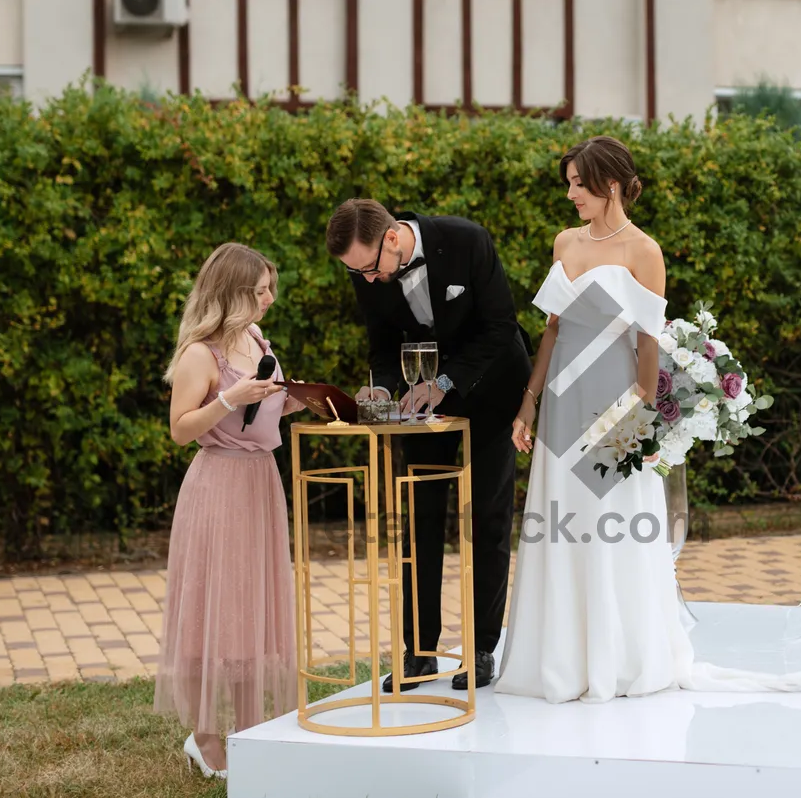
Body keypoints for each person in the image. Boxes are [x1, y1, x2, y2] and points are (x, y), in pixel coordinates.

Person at [494, 136, 801, 704]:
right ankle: (561, 659)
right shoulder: (564, 241)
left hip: (619, 404)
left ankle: (622, 657)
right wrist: (529, 400)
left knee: (612, 523)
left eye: (578, 184)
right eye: (567, 183)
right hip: (563, 398)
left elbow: (648, 344)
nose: (570, 195)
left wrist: (637, 418)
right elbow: (552, 330)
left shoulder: (645, 251)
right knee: (561, 519)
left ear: (610, 184)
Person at [326, 199, 532, 692]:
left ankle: (481, 649)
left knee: (488, 513)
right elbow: (381, 343)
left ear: (392, 238)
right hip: (421, 402)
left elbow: (501, 326)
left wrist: (445, 381)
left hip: (493, 384)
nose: (367, 280)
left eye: (370, 268)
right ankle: (418, 653)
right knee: (419, 516)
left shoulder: (467, 240)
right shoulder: (367, 267)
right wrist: (378, 385)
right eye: (356, 272)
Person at [153, 242, 305, 778]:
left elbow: (264, 410)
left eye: (270, 289)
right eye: (261, 290)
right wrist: (228, 399)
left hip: (261, 482)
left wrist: (297, 399)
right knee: (210, 613)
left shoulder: (256, 339)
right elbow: (179, 430)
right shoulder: (200, 353)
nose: (269, 299)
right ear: (233, 292)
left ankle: (249, 731)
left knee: (250, 612)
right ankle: (204, 737)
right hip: (217, 486)